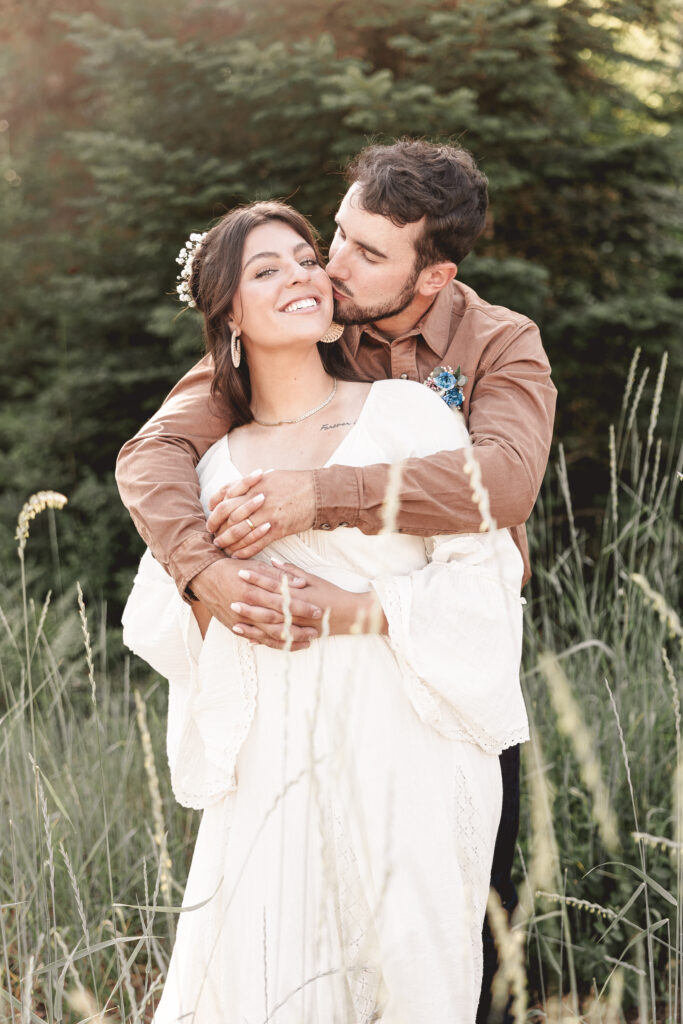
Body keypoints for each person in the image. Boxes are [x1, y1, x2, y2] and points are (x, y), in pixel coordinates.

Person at [116, 139, 556, 1019]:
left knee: (458, 944)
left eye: (366, 253)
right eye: (337, 237)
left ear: (430, 277)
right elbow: (155, 453)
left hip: (434, 684)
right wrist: (202, 574)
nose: (334, 266)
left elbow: (500, 485)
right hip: (293, 725)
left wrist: (319, 496)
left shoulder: (495, 344)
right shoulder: (302, 318)